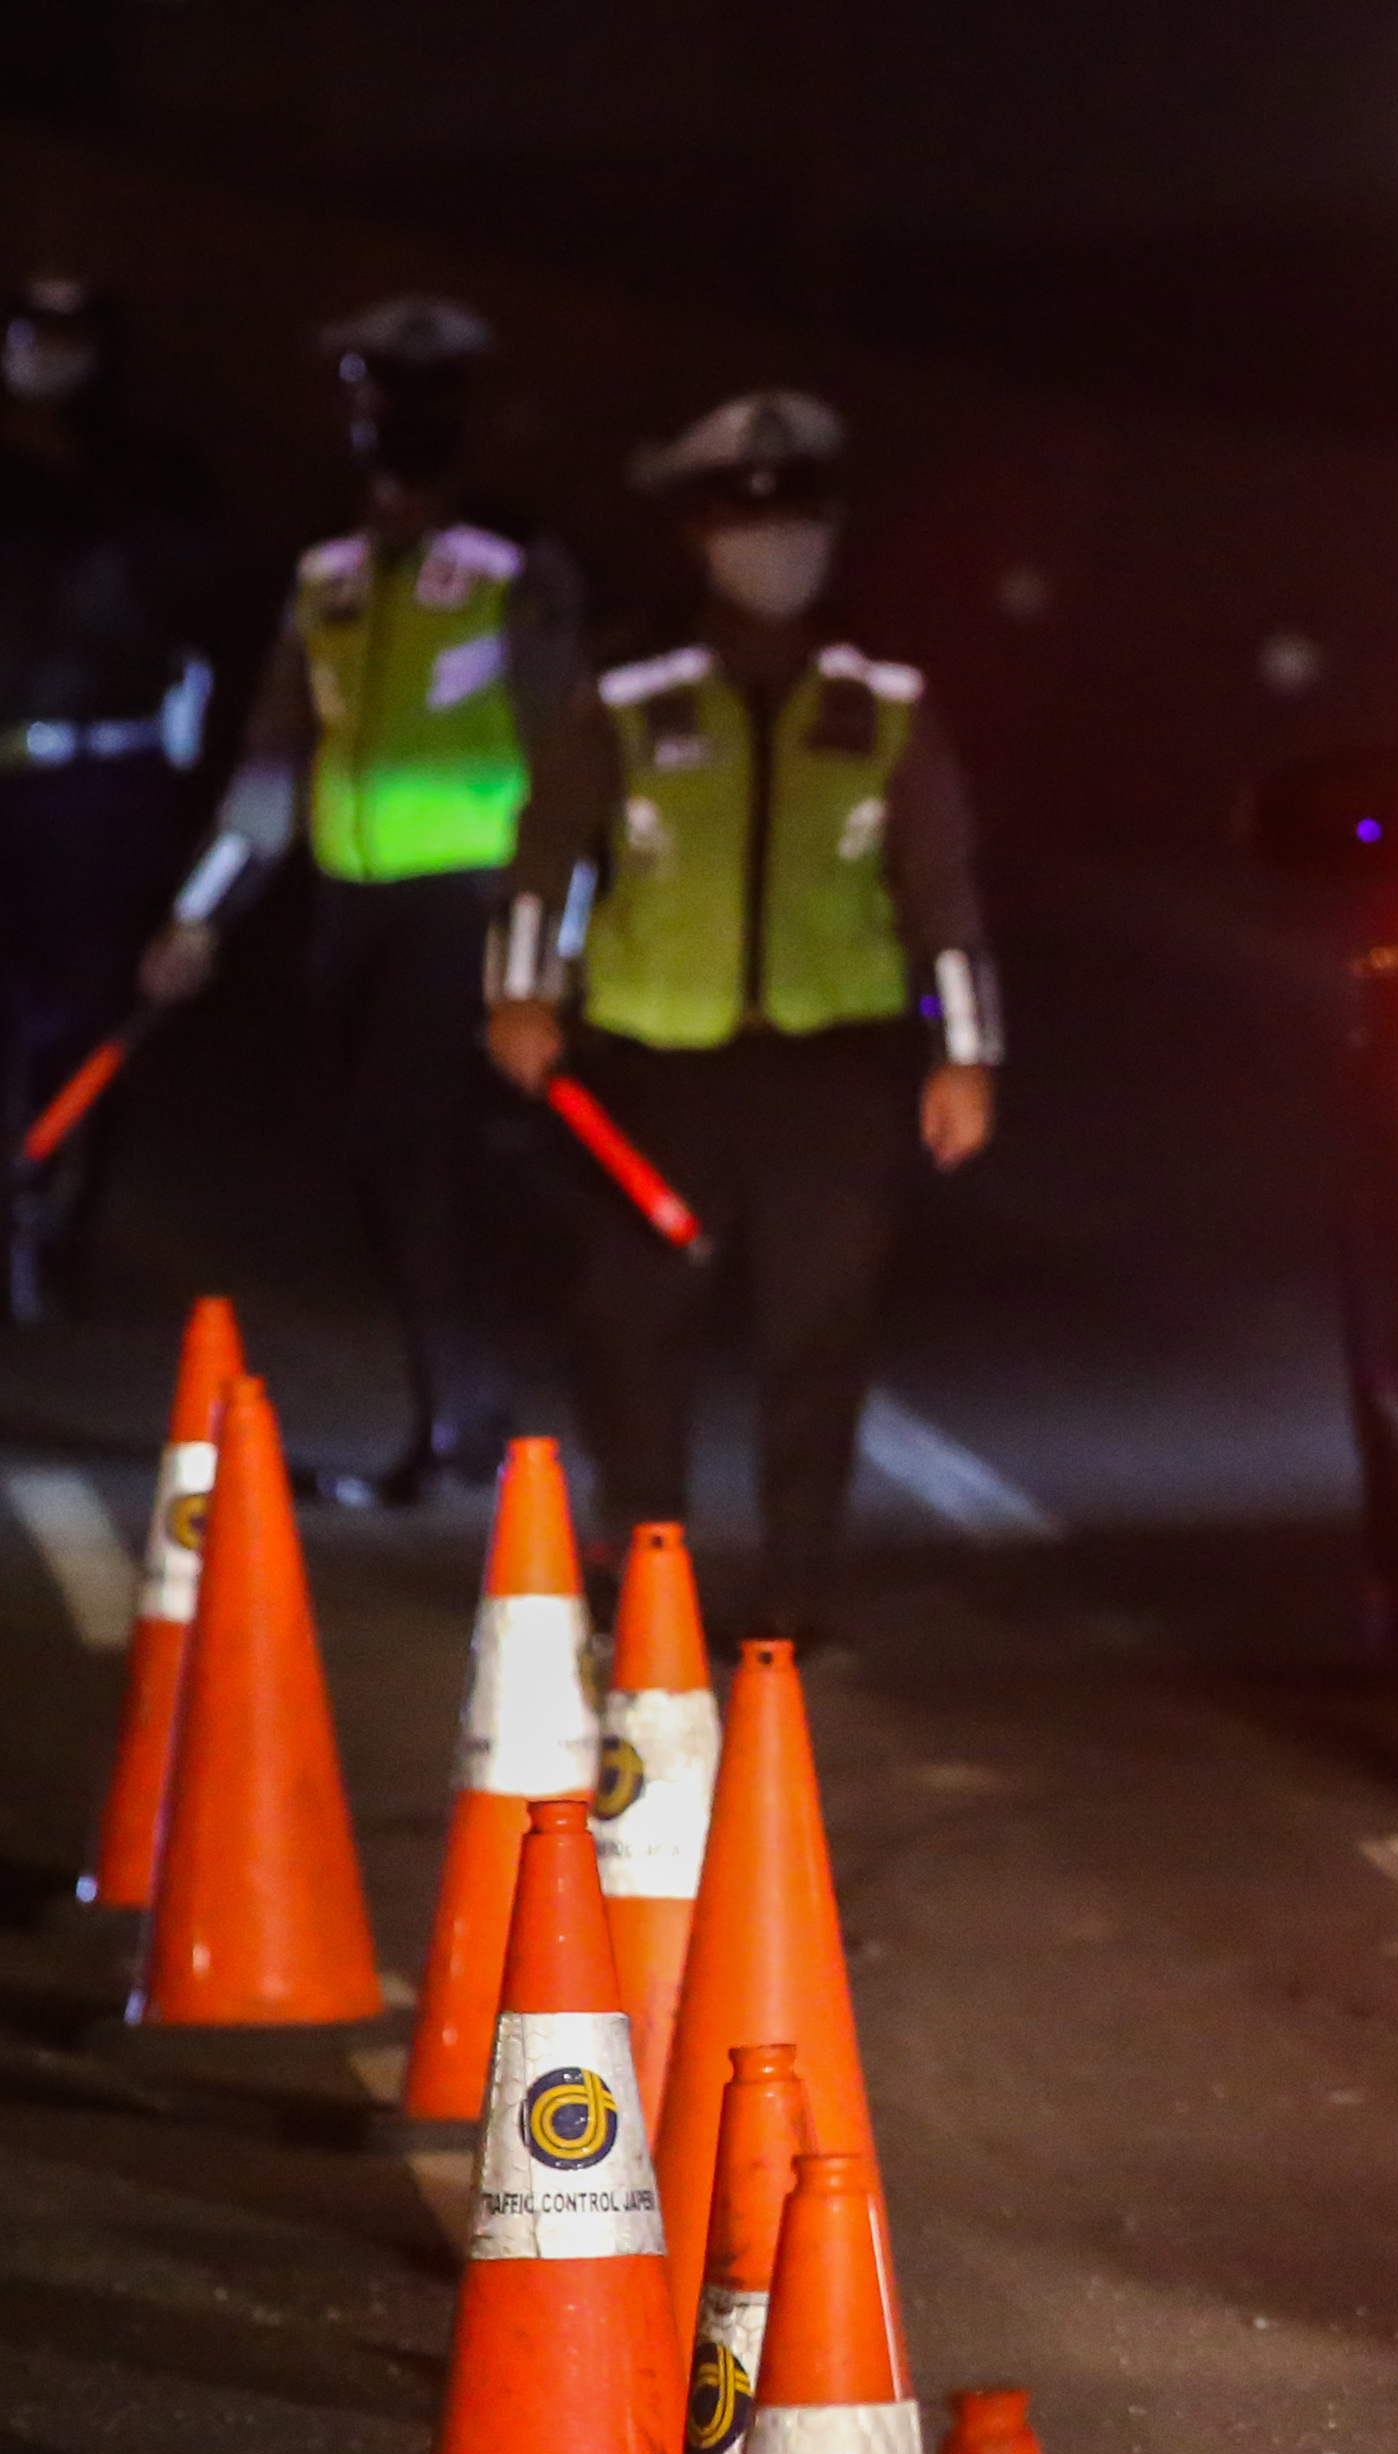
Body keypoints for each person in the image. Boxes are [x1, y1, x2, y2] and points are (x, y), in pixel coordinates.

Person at [486, 389, 999, 1646]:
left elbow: (943, 889)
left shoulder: (882, 700)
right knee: (629, 1323)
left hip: (837, 1072)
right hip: (655, 1068)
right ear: (696, 532)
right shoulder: (627, 693)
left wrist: (967, 1059)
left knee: (817, 1339)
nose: (775, 542)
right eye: (745, 515)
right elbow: (545, 855)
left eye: (798, 516)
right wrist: (520, 988)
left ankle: (797, 1589)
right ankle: (646, 1557)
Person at [145, 294, 582, 1498]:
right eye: (378, 400)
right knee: (390, 1162)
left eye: (420, 404)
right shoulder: (326, 574)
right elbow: (274, 758)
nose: (395, 427)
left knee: (409, 1144)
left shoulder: (512, 564)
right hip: (350, 909)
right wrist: (203, 910)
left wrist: (555, 947)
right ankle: (464, 1408)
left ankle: (459, 1420)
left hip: (466, 900)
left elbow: (570, 760)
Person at [0, 272, 220, 1320]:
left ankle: (56, 1218)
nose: (45, 353)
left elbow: (197, 607)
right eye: (28, 331)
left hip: (102, 780)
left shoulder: (150, 476)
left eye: (67, 335)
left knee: (86, 1014)